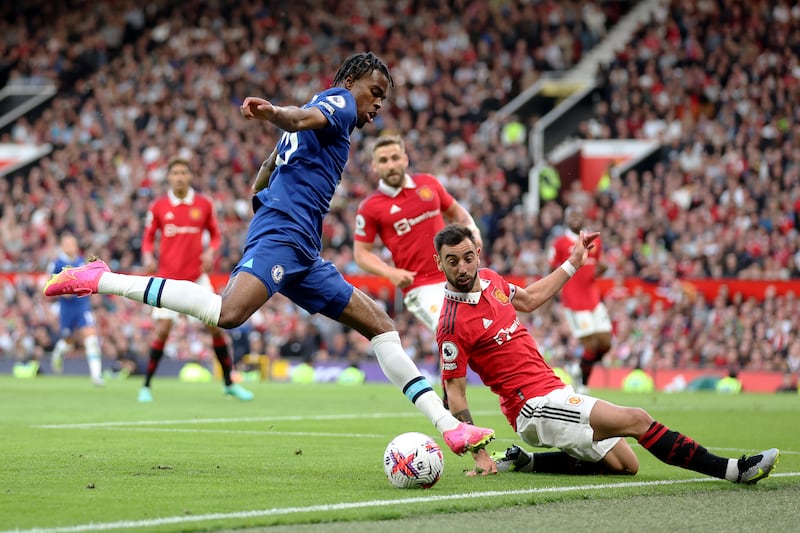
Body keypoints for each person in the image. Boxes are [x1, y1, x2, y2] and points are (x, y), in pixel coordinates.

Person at [43, 52, 494, 457]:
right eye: (374, 92)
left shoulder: (325, 115)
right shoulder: (337, 102)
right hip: (284, 233)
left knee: (380, 324)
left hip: (303, 248)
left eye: (382, 99)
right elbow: (297, 121)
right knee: (228, 312)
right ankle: (102, 278)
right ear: (353, 80)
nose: (376, 105)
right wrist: (276, 113)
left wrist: (267, 183)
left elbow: (265, 170)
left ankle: (450, 427)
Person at [433, 223, 778, 483]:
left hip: (555, 391)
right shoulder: (451, 323)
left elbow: (531, 299)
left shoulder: (492, 279)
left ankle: (525, 461)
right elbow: (456, 393)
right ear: (439, 263)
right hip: (531, 407)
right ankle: (733, 470)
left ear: (477, 252)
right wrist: (478, 454)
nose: (462, 268)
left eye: (467, 258)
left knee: (625, 466)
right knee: (637, 419)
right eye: (452, 262)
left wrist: (572, 263)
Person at [137, 158, 253, 403]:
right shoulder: (158, 206)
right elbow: (148, 238)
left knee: (216, 326)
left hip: (197, 277)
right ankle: (146, 386)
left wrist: (211, 251)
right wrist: (147, 255)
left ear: (190, 176)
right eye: (175, 173)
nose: (179, 176)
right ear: (168, 178)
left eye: (183, 172)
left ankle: (229, 383)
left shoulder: (204, 204)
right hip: (167, 277)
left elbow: (215, 235)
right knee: (162, 331)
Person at [354, 134, 482, 332]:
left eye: (395, 158)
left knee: (484, 330)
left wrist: (472, 228)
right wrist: (390, 272)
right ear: (374, 166)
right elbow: (361, 254)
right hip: (421, 286)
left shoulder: (428, 183)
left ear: (405, 159)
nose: (390, 165)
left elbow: (456, 211)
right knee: (451, 329)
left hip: (458, 273)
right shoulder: (370, 207)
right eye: (383, 160)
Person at [548, 204, 612, 391]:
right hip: (574, 301)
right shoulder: (560, 243)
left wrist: (602, 268)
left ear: (584, 218)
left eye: (578, 214)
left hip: (593, 298)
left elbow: (597, 264)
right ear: (566, 219)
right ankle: (583, 383)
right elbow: (550, 269)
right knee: (591, 344)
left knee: (606, 343)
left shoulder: (594, 241)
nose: (575, 218)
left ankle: (579, 367)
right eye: (572, 215)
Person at [48, 233, 105, 386]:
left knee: (91, 338)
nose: (71, 247)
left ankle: (96, 376)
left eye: (72, 244)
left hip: (82, 306)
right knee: (69, 340)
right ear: (63, 246)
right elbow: (51, 285)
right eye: (67, 244)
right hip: (67, 308)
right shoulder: (57, 264)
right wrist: (63, 291)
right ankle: (59, 352)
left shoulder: (81, 262)